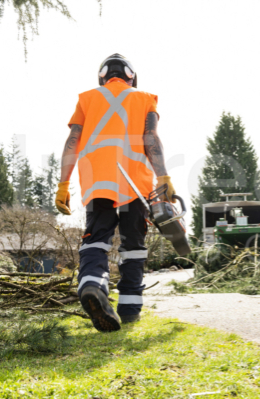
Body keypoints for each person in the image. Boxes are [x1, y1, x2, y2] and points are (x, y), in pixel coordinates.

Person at [55, 54, 176, 332]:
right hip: (135, 185)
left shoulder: (87, 99)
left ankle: (92, 285)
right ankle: (130, 310)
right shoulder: (145, 98)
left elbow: (72, 141)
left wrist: (63, 184)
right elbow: (150, 139)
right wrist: (164, 176)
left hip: (99, 182)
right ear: (131, 75)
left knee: (96, 240)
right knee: (133, 247)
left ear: (102, 76)